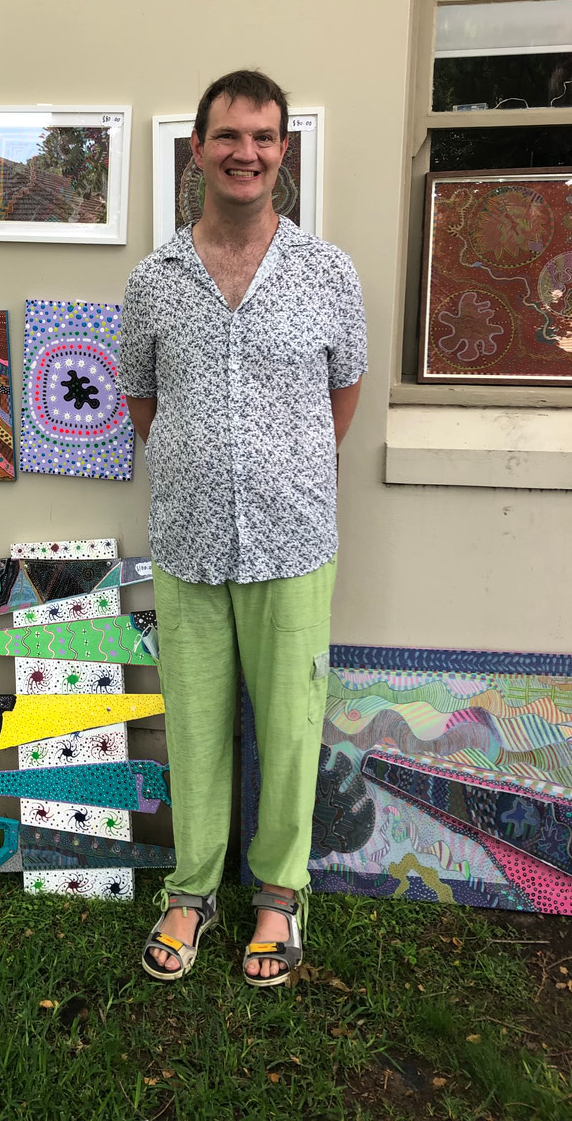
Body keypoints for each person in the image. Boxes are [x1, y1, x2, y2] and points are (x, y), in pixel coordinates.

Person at [119, 68, 366, 986]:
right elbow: (142, 403)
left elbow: (343, 395)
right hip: (187, 538)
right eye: (228, 135)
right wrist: (203, 464)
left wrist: (283, 466)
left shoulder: (327, 272)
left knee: (291, 728)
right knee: (195, 727)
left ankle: (278, 896)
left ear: (282, 150)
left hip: (293, 537)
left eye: (262, 137)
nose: (245, 153)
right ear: (198, 149)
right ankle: (191, 892)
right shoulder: (153, 281)